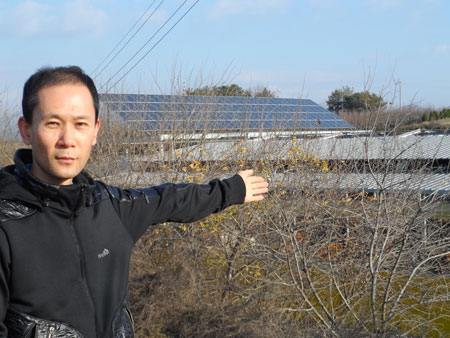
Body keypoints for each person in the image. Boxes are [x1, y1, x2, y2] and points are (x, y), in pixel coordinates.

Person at [0, 66, 268, 338]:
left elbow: (170, 199)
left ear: (95, 132)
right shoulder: (6, 226)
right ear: (27, 130)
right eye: (53, 123)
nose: (68, 140)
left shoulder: (109, 206)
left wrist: (230, 190)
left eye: (80, 124)